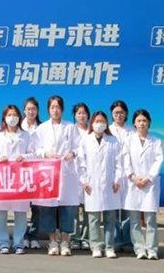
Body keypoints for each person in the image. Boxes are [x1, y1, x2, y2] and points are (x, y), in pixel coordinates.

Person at [34, 95, 81, 256]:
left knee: (67, 209)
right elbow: (36, 148)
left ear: (62, 109)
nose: (55, 110)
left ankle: (65, 242)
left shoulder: (70, 127)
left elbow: (79, 146)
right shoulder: (42, 128)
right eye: (52, 107)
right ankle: (53, 241)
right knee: (48, 208)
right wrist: (45, 153)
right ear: (48, 109)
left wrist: (72, 153)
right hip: (48, 173)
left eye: (58, 107)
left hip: (67, 172)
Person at [77, 111, 122, 259]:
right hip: (92, 185)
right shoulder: (86, 140)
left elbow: (119, 163)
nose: (99, 124)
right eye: (97, 121)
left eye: (102, 121)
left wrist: (117, 180)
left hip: (110, 185)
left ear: (106, 124)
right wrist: (84, 181)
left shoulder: (113, 141)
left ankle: (109, 247)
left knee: (110, 219)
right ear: (92, 123)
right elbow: (81, 163)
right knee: (93, 219)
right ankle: (96, 246)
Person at [0, 105, 36, 255]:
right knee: (0, 213)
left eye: (15, 115)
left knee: (20, 212)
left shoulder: (26, 136)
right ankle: (3, 243)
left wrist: (24, 157)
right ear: (4, 117)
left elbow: (33, 153)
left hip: (20, 178)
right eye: (9, 115)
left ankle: (18, 243)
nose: (12, 118)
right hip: (2, 178)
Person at [124, 109, 163, 260]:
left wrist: (148, 178)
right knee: (134, 220)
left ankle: (152, 249)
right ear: (134, 123)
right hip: (133, 184)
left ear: (149, 123)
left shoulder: (156, 141)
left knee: (150, 219)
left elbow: (158, 160)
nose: (141, 123)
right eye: (139, 120)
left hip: (149, 184)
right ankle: (139, 248)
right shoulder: (128, 140)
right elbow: (125, 160)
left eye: (144, 120)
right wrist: (133, 177)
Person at [109, 100, 136, 252]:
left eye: (121, 112)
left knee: (127, 209)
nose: (118, 115)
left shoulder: (132, 131)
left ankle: (127, 240)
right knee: (112, 210)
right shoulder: (107, 130)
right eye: (116, 113)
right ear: (111, 114)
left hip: (128, 175)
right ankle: (116, 240)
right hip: (111, 174)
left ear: (126, 114)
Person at [21, 96, 42, 250]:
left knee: (37, 207)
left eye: (33, 109)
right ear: (24, 111)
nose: (31, 112)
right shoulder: (18, 127)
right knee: (22, 206)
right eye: (28, 109)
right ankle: (22, 236)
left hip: (38, 172)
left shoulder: (41, 128)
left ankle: (33, 236)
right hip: (21, 172)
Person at [71, 103, 91, 251]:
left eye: (84, 113)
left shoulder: (92, 131)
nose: (81, 116)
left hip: (90, 173)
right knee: (74, 208)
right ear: (74, 115)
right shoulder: (71, 130)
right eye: (79, 113)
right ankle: (74, 237)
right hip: (73, 173)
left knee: (89, 208)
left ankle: (86, 238)